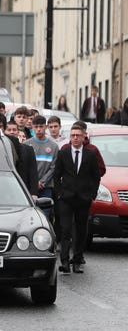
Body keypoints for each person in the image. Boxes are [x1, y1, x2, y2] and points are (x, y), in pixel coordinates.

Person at [53, 123, 101, 274]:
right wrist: (59, 193)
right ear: (70, 137)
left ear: (83, 137)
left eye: (78, 136)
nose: (75, 138)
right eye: (72, 135)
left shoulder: (90, 154)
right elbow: (56, 175)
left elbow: (96, 176)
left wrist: (92, 194)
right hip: (66, 198)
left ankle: (77, 260)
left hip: (83, 199)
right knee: (65, 229)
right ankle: (65, 261)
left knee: (80, 231)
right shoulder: (64, 153)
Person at [24, 116, 58, 216]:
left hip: (46, 187)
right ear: (32, 128)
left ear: (46, 127)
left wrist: (42, 182)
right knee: (30, 214)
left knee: (45, 215)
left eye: (41, 126)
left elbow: (53, 167)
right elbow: (25, 166)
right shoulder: (26, 144)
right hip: (29, 187)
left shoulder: (53, 146)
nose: (39, 129)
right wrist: (33, 182)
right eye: (36, 127)